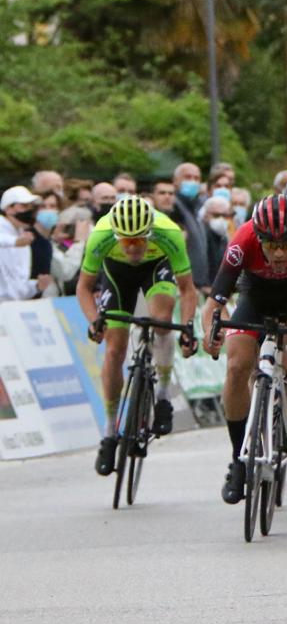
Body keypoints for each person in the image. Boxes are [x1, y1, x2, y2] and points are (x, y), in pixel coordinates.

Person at [201, 195, 287, 505]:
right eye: (271, 245)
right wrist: (210, 334)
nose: (279, 253)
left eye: (286, 245)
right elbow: (214, 305)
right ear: (258, 237)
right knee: (237, 366)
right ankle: (239, 458)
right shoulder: (241, 241)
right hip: (256, 294)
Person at [78, 196, 199, 475]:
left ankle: (163, 396)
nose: (133, 247)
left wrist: (188, 326)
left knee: (162, 321)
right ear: (116, 235)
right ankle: (110, 432)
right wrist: (95, 321)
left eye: (139, 240)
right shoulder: (101, 235)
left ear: (149, 232)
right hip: (117, 274)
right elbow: (84, 288)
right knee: (114, 350)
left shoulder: (168, 232)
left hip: (156, 268)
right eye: (126, 241)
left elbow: (187, 289)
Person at [0, 186, 52, 301]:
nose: (29, 211)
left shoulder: (23, 237)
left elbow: (19, 283)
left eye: (30, 207)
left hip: (13, 306)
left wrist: (36, 286)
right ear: (8, 209)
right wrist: (14, 242)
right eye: (23, 206)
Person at [172, 162, 211, 288]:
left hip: (200, 283)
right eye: (188, 177)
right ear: (175, 181)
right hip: (182, 283)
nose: (193, 182)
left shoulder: (199, 207)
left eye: (196, 178)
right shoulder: (174, 208)